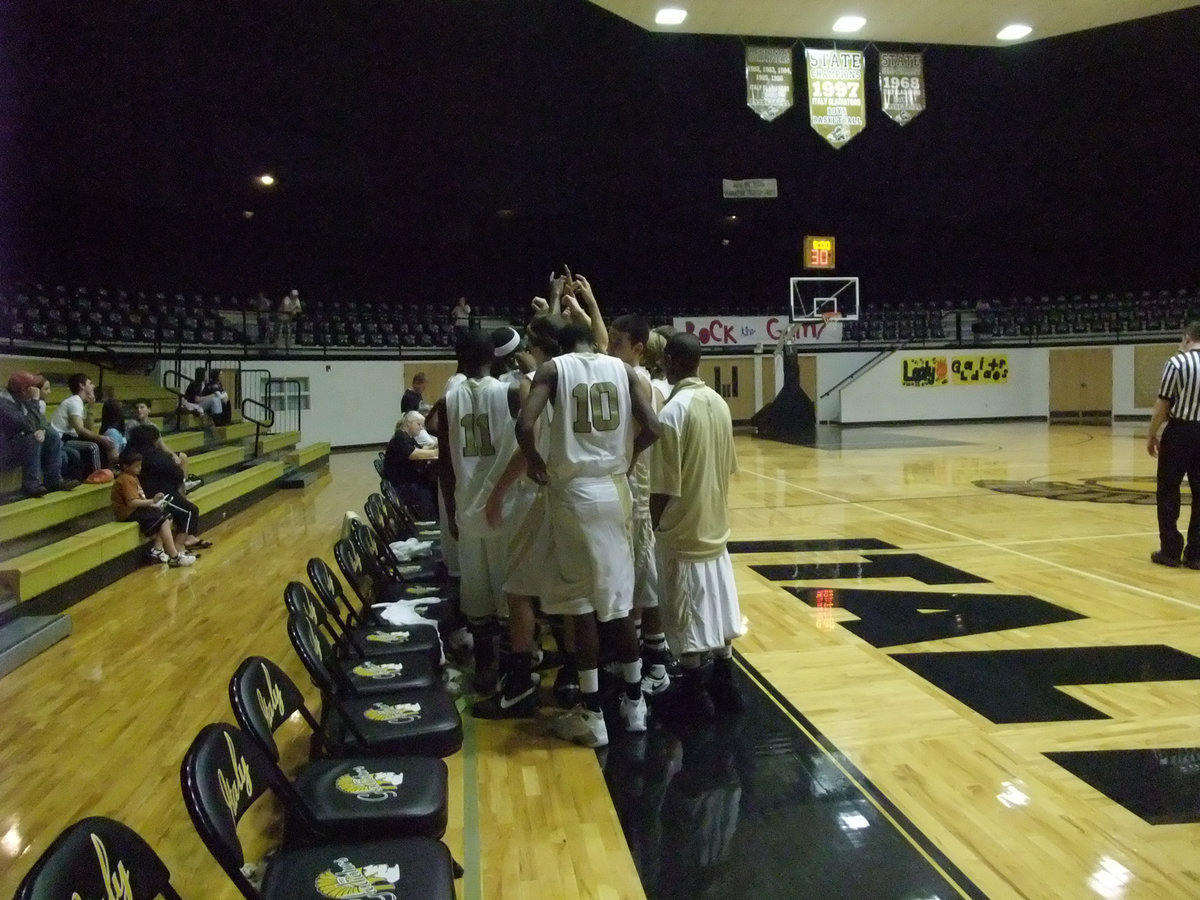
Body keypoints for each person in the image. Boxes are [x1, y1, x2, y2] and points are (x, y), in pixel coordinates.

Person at [518, 320, 660, 747]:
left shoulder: (553, 370)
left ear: (560, 346)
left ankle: (593, 712)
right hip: (614, 492)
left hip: (573, 495)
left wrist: (533, 463)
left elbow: (525, 425)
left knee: (582, 608)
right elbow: (653, 426)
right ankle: (635, 704)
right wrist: (629, 458)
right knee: (617, 604)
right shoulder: (623, 370)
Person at [649, 332, 744, 717]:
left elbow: (664, 486)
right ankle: (725, 679)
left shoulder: (672, 413)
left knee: (684, 610)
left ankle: (693, 694)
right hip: (716, 524)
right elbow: (730, 467)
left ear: (670, 360)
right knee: (720, 605)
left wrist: (652, 525)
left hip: (684, 528)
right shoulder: (720, 403)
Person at [435, 331, 521, 698]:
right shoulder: (511, 393)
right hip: (506, 507)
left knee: (477, 599)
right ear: (495, 358)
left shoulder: (448, 399)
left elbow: (445, 464)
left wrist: (452, 510)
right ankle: (514, 671)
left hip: (468, 509)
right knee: (510, 598)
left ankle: (485, 668)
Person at [608, 314, 673, 696]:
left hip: (640, 496)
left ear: (637, 349)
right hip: (625, 495)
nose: (609, 348)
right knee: (631, 582)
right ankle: (634, 654)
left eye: (618, 343)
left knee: (646, 583)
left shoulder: (641, 381)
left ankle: (658, 663)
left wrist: (630, 458)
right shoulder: (621, 375)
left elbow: (653, 430)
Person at [1146, 320, 1200, 569]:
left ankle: (1170, 550)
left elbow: (1163, 404)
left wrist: (1151, 433)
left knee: (1168, 490)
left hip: (1180, 432)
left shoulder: (1177, 362)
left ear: (1188, 338)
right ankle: (1196, 554)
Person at [127, 424, 210, 552]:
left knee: (180, 508)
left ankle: (189, 539)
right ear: (154, 440)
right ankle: (179, 546)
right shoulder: (159, 456)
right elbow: (177, 475)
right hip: (157, 495)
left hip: (139, 495)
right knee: (190, 511)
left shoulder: (130, 455)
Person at [111, 447, 196, 567]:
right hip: (128, 513)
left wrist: (155, 504)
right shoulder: (125, 479)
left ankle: (157, 549)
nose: (140, 468)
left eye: (140, 466)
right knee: (163, 519)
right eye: (136, 466)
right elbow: (132, 502)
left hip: (135, 510)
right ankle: (174, 556)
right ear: (125, 467)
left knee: (167, 515)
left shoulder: (133, 477)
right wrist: (152, 501)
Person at [0, 371, 78, 497]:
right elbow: (27, 425)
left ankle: (54, 481)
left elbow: (42, 422)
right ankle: (31, 485)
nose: (35, 389)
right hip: (4, 453)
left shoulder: (22, 398)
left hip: (17, 446)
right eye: (32, 386)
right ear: (24, 390)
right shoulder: (3, 404)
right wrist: (35, 401)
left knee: (51, 435)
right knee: (32, 439)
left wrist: (42, 429)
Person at [50, 373, 114, 475]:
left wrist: (90, 408)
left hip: (70, 438)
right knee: (93, 447)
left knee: (98, 443)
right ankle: (97, 477)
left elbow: (88, 428)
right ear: (82, 385)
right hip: (61, 439)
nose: (93, 386)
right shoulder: (75, 401)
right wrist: (100, 437)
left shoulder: (79, 402)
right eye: (90, 383)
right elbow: (80, 429)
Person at [382, 411, 439, 519]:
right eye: (419, 424)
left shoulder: (407, 437)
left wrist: (433, 446)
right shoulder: (400, 438)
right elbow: (414, 454)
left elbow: (419, 450)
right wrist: (436, 452)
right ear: (409, 423)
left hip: (405, 479)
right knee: (430, 486)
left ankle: (435, 517)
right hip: (401, 484)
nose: (421, 428)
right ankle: (430, 519)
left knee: (433, 482)